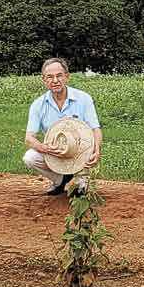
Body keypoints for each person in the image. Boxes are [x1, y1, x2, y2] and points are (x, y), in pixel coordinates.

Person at [24, 58, 102, 195]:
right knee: (30, 157)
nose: (55, 80)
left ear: (67, 77)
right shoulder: (38, 105)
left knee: (79, 193)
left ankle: (81, 180)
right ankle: (60, 180)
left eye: (59, 75)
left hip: (80, 152)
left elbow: (95, 128)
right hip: (54, 152)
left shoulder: (84, 98)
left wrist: (97, 150)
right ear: (44, 80)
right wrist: (44, 148)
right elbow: (29, 138)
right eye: (50, 77)